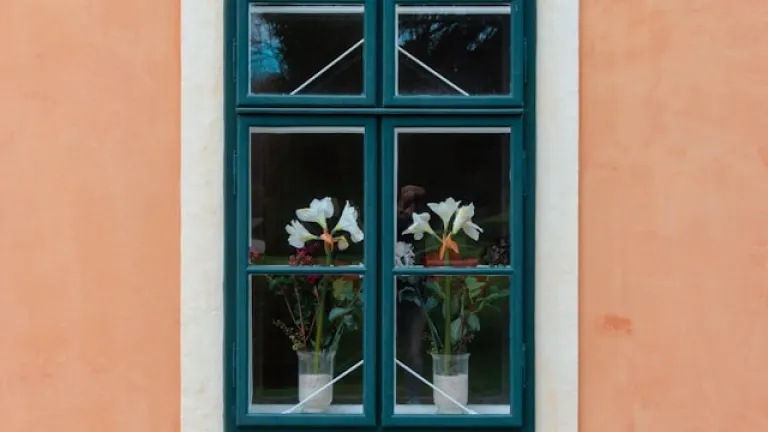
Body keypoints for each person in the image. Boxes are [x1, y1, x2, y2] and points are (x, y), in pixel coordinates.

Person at [395, 185, 428, 403]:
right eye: (405, 199)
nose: (408, 205)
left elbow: (416, 233)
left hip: (415, 293)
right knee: (385, 345)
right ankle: (387, 397)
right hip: (388, 293)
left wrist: (409, 215)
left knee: (414, 349)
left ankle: (413, 396)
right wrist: (399, 211)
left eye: (412, 201)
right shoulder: (390, 220)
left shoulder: (421, 223)